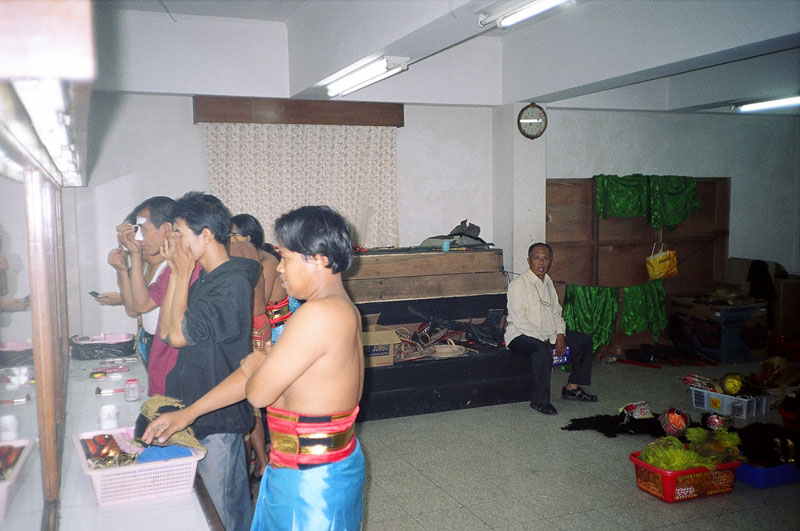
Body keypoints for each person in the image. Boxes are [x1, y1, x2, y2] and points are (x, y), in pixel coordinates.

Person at [144, 205, 365, 531]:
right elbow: (253, 374)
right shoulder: (333, 309)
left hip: (311, 476)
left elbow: (259, 392)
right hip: (304, 466)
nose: (278, 270)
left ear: (317, 260)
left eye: (286, 259)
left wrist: (259, 365)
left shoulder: (318, 315)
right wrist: (188, 414)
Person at [157, 192, 259, 531]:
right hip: (198, 410)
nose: (178, 245)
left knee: (223, 515)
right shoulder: (207, 278)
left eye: (182, 236)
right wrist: (177, 272)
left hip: (219, 417)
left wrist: (182, 273)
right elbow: (169, 332)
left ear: (206, 235)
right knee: (211, 512)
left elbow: (181, 335)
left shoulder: (231, 283)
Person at [113, 197, 201, 394]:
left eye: (142, 230)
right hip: (155, 343)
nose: (140, 239)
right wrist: (126, 262)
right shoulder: (162, 265)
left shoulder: (175, 266)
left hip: (173, 349)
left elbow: (141, 306)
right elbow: (135, 307)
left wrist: (135, 256)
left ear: (167, 229)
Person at [505, 242, 597, 415]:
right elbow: (519, 321)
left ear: (550, 261)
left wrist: (560, 334)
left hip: (547, 333)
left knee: (584, 340)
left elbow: (557, 312)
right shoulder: (519, 285)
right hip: (520, 335)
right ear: (529, 261)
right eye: (537, 258)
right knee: (541, 350)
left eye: (545, 258)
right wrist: (543, 340)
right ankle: (539, 401)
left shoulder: (548, 283)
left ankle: (572, 387)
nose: (541, 262)